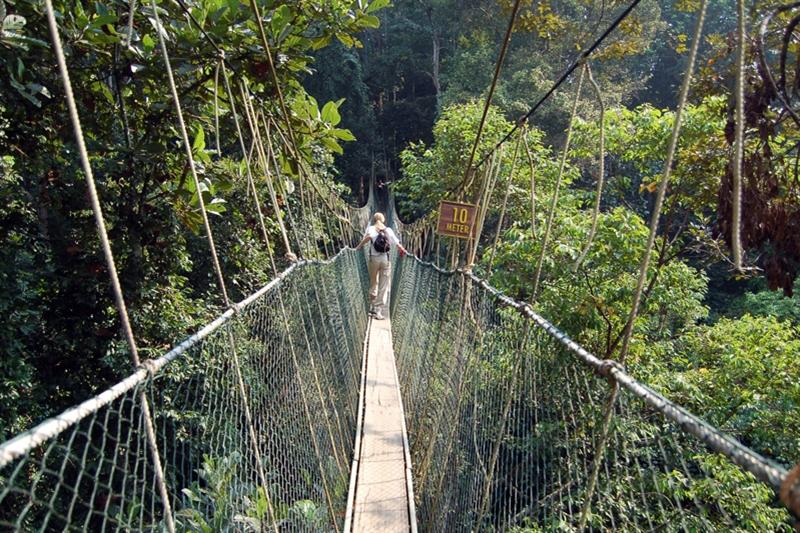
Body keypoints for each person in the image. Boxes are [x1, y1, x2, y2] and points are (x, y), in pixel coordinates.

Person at [356, 212, 407, 320]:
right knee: (383, 285)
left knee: (374, 281)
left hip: (374, 259)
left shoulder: (371, 228)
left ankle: (372, 305)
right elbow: (397, 243)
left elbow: (368, 237)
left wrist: (359, 246)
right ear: (383, 220)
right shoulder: (388, 230)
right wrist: (402, 250)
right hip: (385, 259)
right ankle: (378, 310)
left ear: (374, 220)